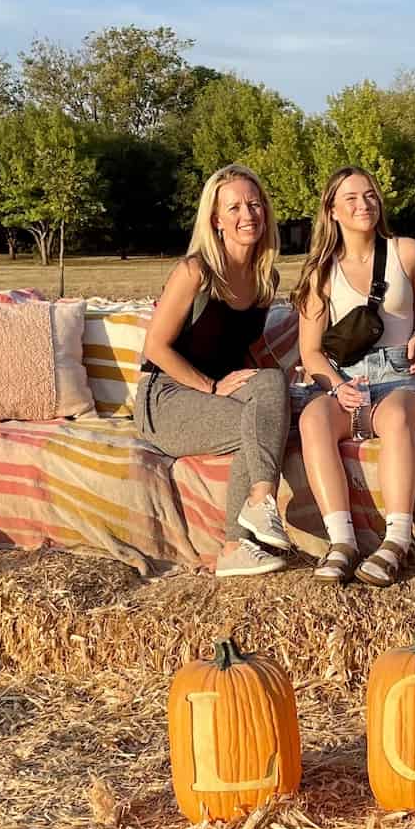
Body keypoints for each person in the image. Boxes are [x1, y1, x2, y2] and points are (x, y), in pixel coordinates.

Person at [136, 164, 291, 579]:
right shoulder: (196, 272)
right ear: (216, 219)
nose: (248, 214)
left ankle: (260, 503)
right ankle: (236, 544)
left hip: (215, 391)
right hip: (166, 397)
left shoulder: (264, 279)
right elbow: (155, 347)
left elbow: (246, 349)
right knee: (252, 425)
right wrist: (210, 386)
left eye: (255, 204)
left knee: (273, 386)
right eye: (235, 207)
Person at [294, 167, 415, 587]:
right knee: (313, 419)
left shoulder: (405, 252)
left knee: (395, 417)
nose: (363, 204)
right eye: (351, 198)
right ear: (332, 210)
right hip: (348, 381)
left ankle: (397, 540)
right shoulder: (321, 272)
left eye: (370, 195)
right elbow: (311, 352)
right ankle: (343, 542)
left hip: (399, 376)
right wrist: (336, 387)